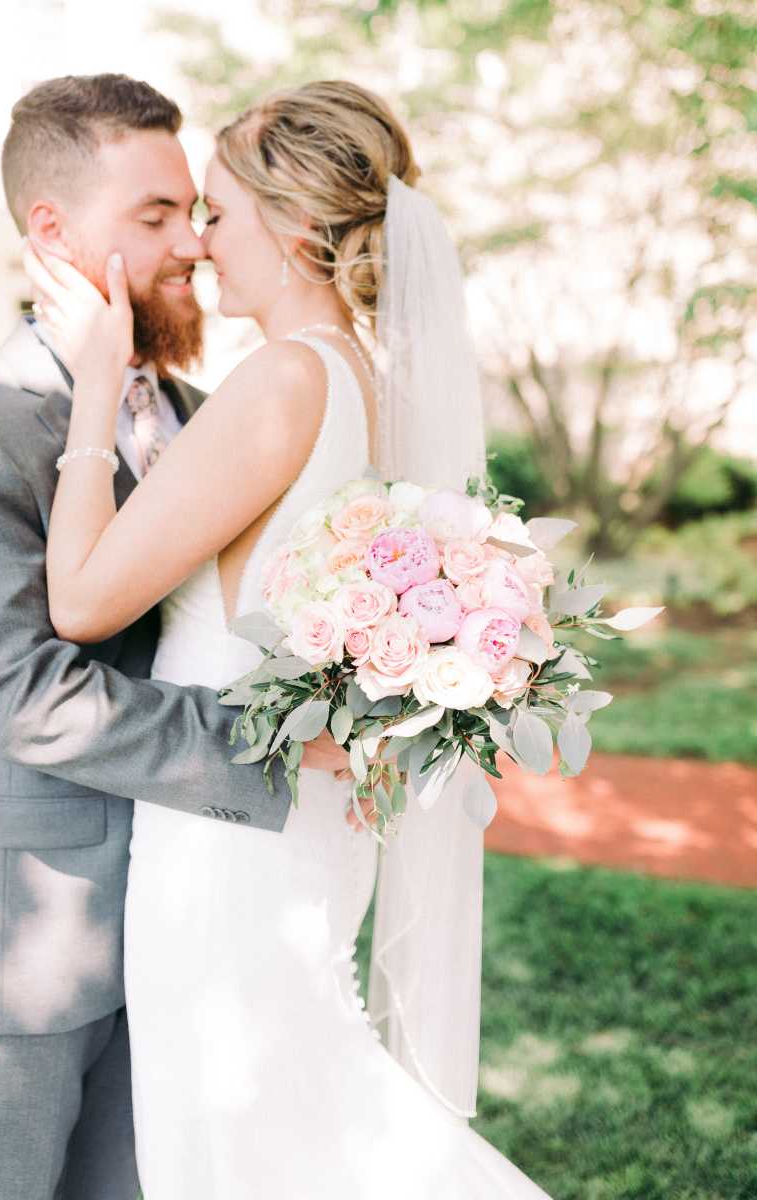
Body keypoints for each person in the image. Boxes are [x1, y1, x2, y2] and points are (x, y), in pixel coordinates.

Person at [27, 78, 553, 1198]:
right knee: (297, 1112)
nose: (199, 244)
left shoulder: (282, 379)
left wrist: (94, 392)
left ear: (297, 225)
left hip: (225, 846)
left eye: (215, 213)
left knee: (247, 1139)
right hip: (297, 818)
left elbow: (80, 603)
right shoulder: (367, 378)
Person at [0, 74, 349, 1200]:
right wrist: (274, 746)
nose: (192, 243)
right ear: (51, 231)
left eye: (195, 210)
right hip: (28, 958)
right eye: (156, 215)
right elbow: (26, 699)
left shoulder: (193, 411)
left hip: (182, 926)